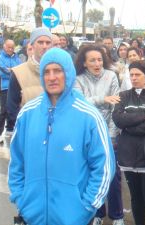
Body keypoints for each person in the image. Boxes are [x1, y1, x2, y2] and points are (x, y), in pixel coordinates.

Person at [8, 47, 115, 225]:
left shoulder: (89, 116)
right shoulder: (27, 113)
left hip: (75, 218)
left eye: (57, 70)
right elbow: (16, 162)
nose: (51, 77)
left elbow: (104, 167)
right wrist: (21, 199)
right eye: (46, 72)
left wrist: (87, 206)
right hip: (31, 216)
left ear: (69, 73)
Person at [74, 44, 124, 225]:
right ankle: (98, 213)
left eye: (100, 60)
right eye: (92, 60)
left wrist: (111, 136)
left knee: (113, 175)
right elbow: (80, 103)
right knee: (92, 175)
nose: (97, 63)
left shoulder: (111, 76)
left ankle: (118, 215)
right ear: (84, 63)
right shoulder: (78, 79)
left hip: (109, 132)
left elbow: (115, 106)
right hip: (87, 134)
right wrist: (101, 99)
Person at [112, 60, 145, 225]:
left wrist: (129, 126)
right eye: (131, 75)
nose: (134, 78)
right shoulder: (123, 96)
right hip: (128, 156)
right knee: (136, 199)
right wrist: (143, 116)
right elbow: (117, 119)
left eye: (138, 74)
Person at [7, 27, 52, 123]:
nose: (44, 46)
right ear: (32, 45)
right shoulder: (18, 73)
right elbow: (12, 108)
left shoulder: (61, 71)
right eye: (40, 42)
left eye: (48, 43)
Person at [0, 39, 21, 144]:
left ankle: (9, 129)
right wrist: (13, 70)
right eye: (9, 47)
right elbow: (2, 72)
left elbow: (20, 70)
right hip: (3, 88)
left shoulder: (17, 57)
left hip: (15, 87)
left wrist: (11, 69)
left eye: (12, 47)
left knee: (14, 109)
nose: (11, 49)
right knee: (4, 110)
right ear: (4, 47)